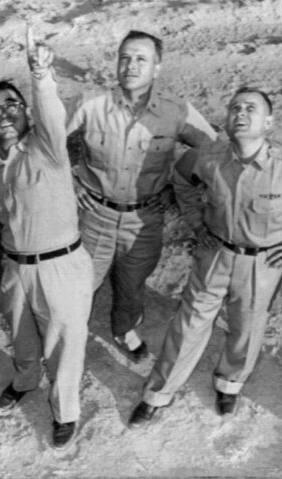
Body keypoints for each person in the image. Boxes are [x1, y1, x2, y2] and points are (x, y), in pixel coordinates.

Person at [128, 86, 282, 427]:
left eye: (251, 109)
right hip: (215, 254)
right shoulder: (209, 155)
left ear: (268, 122)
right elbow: (181, 181)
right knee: (188, 325)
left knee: (247, 327)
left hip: (264, 264)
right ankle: (157, 393)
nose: (240, 114)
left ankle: (229, 383)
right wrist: (197, 222)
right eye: (235, 108)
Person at [0, 26, 93, 448]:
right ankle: (25, 380)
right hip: (13, 271)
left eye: (11, 104)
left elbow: (52, 114)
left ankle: (65, 412)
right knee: (21, 337)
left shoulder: (47, 147)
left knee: (64, 347)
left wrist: (41, 74)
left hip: (62, 268)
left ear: (25, 111)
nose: (3, 113)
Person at [67, 30, 217, 361]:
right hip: (94, 215)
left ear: (157, 67)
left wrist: (178, 186)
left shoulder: (176, 110)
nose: (131, 65)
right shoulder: (90, 105)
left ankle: (124, 329)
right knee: (79, 284)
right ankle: (70, 336)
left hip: (145, 220)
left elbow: (214, 149)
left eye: (141, 59)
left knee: (132, 283)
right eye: (125, 57)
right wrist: (70, 181)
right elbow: (46, 143)